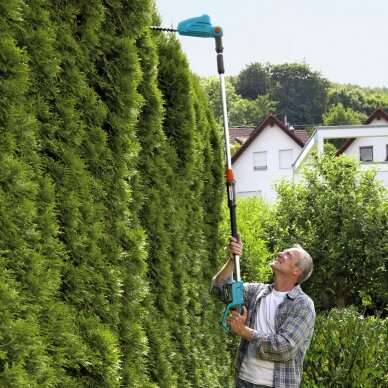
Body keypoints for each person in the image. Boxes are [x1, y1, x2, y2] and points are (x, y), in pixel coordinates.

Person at [211, 235, 315, 388]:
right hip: (244, 380)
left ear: (297, 271)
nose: (280, 254)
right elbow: (219, 288)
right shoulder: (257, 292)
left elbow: (285, 347)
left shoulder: (302, 304)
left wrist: (244, 331)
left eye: (288, 255)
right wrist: (233, 259)